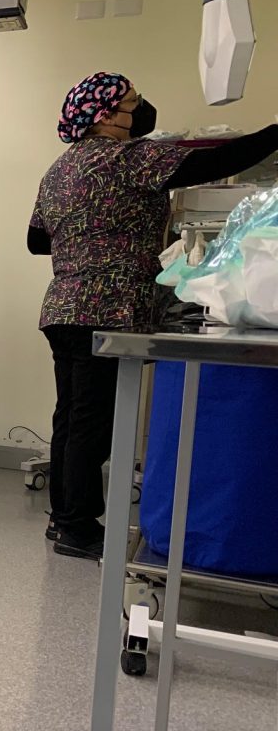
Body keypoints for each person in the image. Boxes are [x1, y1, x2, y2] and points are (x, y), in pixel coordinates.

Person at [29, 72, 278, 560]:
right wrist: (274, 134)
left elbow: (37, 240)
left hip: (62, 306)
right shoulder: (128, 158)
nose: (141, 110)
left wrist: (87, 235)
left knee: (71, 416)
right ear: (105, 115)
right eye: (133, 103)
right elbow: (216, 161)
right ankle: (79, 528)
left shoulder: (58, 170)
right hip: (108, 306)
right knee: (92, 422)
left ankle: (63, 518)